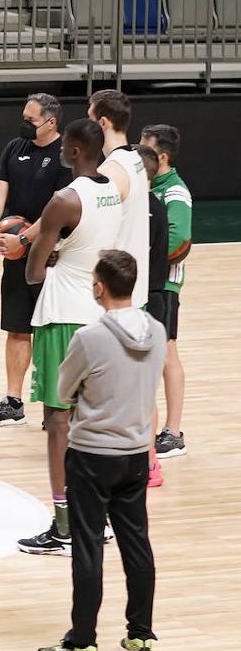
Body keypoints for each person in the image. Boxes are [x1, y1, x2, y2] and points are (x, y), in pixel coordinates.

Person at [36, 250, 164, 651]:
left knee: (88, 547)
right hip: (135, 455)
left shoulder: (89, 338)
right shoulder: (158, 331)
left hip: (92, 454)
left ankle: (83, 644)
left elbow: (63, 388)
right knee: (137, 544)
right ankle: (140, 636)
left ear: (100, 287)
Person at [18, 119, 123, 557]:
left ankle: (64, 525)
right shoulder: (112, 193)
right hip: (100, 313)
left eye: (67, 146)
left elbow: (33, 271)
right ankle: (96, 518)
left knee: (58, 423)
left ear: (76, 150)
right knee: (91, 420)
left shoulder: (63, 199)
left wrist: (44, 250)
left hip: (63, 315)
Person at [0, 93, 73, 427]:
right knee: (17, 328)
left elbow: (55, 212)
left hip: (52, 257)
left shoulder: (66, 157)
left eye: (30, 120)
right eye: (24, 116)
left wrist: (22, 238)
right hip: (16, 254)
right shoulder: (13, 148)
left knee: (51, 331)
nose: (24, 124)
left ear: (51, 122)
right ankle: (13, 401)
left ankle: (56, 405)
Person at [139, 124, 191, 460]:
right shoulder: (148, 186)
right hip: (144, 282)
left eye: (145, 149)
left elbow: (179, 241)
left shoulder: (175, 193)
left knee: (167, 354)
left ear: (162, 156)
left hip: (164, 284)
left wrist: (144, 261)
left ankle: (172, 432)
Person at [89, 90, 150, 310]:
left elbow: (96, 230)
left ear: (103, 123)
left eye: (90, 119)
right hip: (135, 288)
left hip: (114, 295)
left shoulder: (110, 171)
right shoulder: (137, 160)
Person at [134, 145, 168, 489]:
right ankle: (147, 461)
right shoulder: (150, 205)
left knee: (144, 392)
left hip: (147, 303)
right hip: (149, 302)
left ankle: (149, 463)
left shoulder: (145, 209)